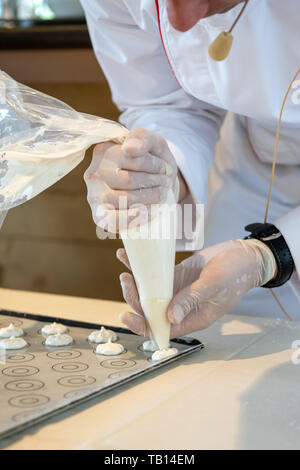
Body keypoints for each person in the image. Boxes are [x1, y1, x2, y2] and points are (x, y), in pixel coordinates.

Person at [81, 0, 300, 338]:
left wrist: (272, 254)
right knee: (246, 337)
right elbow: (166, 103)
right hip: (256, 168)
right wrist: (159, 168)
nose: (180, 22)